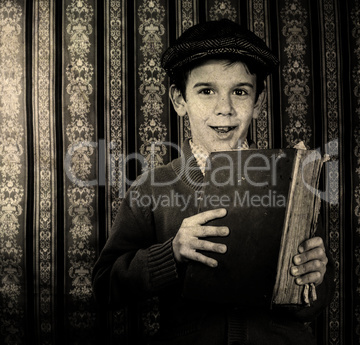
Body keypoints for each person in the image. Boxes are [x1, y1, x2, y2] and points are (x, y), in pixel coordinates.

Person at [92, 19, 335, 345]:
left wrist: (314, 277)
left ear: (258, 104)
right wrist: (171, 253)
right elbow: (105, 287)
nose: (225, 109)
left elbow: (310, 307)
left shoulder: (290, 181)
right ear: (179, 101)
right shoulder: (154, 187)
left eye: (240, 91)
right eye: (206, 91)